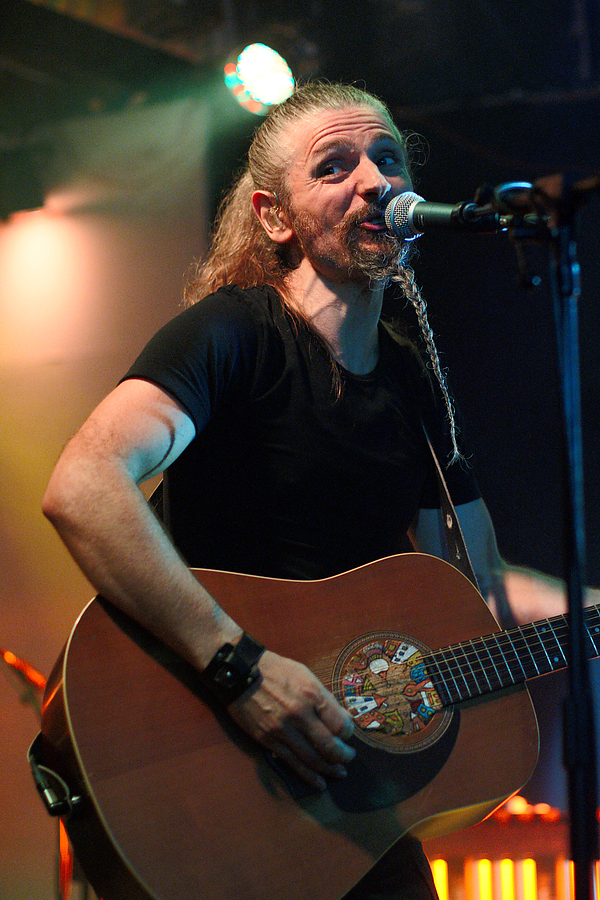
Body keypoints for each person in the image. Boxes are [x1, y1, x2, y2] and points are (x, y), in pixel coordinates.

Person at [42, 82, 596, 899]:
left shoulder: (414, 380)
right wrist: (242, 672)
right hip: (203, 752)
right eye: (335, 167)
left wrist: (585, 609)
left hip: (337, 785)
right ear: (275, 216)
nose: (373, 180)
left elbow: (481, 589)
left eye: (387, 158)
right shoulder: (235, 334)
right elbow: (84, 486)